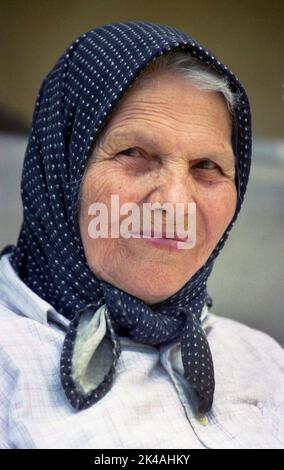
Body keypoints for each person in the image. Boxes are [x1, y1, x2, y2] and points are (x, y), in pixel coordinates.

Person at [0, 21, 283, 449]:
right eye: (134, 153)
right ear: (60, 170)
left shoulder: (266, 360)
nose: (175, 204)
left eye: (207, 166)